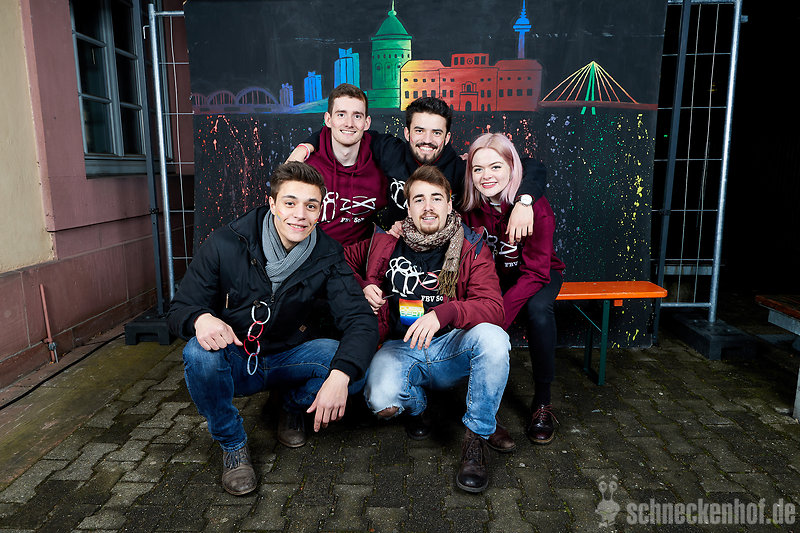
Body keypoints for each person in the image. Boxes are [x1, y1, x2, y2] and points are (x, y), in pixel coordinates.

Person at [167, 162, 379, 496]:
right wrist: (200, 318)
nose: (300, 215)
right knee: (199, 354)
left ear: (320, 211)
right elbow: (179, 308)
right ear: (273, 203)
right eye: (290, 203)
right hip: (238, 358)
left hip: (290, 356)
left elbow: (360, 320)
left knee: (353, 370)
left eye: (310, 206)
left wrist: (339, 377)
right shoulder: (226, 243)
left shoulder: (327, 255)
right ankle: (233, 444)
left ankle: (290, 406)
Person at [344, 165, 511, 493]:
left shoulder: (471, 246)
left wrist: (446, 312)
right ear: (408, 207)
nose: (428, 206)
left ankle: (476, 438)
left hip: (451, 345)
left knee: (494, 339)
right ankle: (419, 407)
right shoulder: (385, 241)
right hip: (401, 346)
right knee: (381, 402)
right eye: (419, 199)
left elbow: (494, 308)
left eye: (436, 198)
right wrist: (362, 286)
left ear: (449, 204)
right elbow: (337, 262)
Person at [289, 96, 546, 242]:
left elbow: (531, 166)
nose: (427, 140)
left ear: (447, 138)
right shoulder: (390, 151)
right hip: (391, 244)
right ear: (407, 133)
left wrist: (524, 202)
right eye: (420, 131)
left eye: (436, 133)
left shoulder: (461, 170)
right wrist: (305, 147)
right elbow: (346, 131)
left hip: (439, 251)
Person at [460, 133, 565, 445]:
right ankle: (479, 406)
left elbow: (535, 272)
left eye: (496, 167)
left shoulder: (534, 205)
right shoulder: (470, 205)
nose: (486, 176)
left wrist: (497, 318)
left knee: (539, 310)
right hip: (494, 277)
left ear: (512, 167)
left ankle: (542, 402)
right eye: (478, 169)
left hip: (537, 272)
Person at [292, 83, 387, 245]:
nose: (349, 123)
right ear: (328, 120)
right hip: (312, 253)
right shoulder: (306, 166)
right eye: (341, 115)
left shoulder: (381, 165)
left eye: (357, 116)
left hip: (361, 255)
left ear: (367, 123)